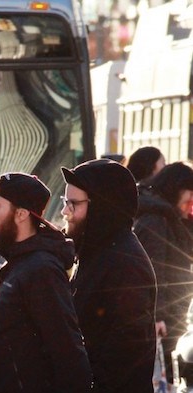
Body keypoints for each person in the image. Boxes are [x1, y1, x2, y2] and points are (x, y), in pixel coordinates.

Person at [0, 173, 92, 392]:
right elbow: (17, 340)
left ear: (20, 214)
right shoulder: (21, 264)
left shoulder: (41, 270)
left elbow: (67, 352)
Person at [61, 159, 156, 392]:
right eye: (65, 202)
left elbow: (126, 352)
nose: (65, 212)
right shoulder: (95, 250)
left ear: (102, 207)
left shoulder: (124, 262)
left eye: (73, 204)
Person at [134, 162, 193, 386]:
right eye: (189, 192)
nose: (191, 200)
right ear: (177, 188)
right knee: (165, 380)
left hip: (171, 312)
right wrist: (157, 316)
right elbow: (153, 269)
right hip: (164, 317)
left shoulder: (167, 216)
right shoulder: (155, 219)